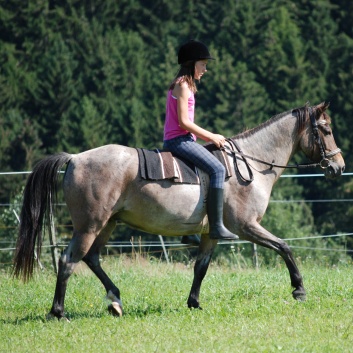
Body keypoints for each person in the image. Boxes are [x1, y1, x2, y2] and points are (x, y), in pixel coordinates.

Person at [163, 39, 238, 243]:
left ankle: (190, 231)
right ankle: (216, 226)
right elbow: (184, 122)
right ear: (191, 63)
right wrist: (211, 136)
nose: (205, 69)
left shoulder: (183, 85)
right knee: (218, 170)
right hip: (179, 141)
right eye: (203, 64)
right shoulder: (183, 86)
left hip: (182, 140)